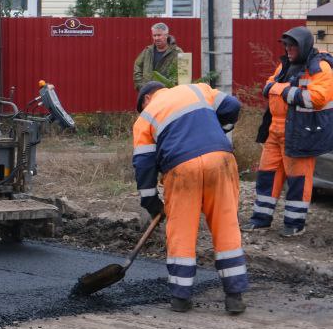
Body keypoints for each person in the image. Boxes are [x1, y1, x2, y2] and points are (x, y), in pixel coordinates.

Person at [134, 80, 245, 313]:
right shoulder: (197, 89)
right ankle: (234, 295)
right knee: (226, 225)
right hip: (220, 159)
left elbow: (144, 165)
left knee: (182, 231)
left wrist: (151, 200)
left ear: (146, 99)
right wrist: (220, 129)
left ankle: (180, 298)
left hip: (182, 168)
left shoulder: (145, 117)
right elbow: (232, 106)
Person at [245, 26, 333, 237]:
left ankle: (295, 224)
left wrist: (281, 89)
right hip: (275, 131)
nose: (287, 50)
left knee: (298, 180)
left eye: (291, 46)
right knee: (267, 175)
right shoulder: (285, 65)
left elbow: (315, 98)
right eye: (285, 45)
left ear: (302, 46)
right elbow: (267, 87)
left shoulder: (320, 67)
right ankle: (260, 219)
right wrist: (282, 90)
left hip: (300, 133)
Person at [132, 22, 182, 90]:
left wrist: (170, 88)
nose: (156, 38)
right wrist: (140, 85)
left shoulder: (177, 52)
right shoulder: (148, 51)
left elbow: (182, 74)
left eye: (159, 35)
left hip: (167, 94)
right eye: (154, 35)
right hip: (148, 93)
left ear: (166, 35)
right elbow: (137, 66)